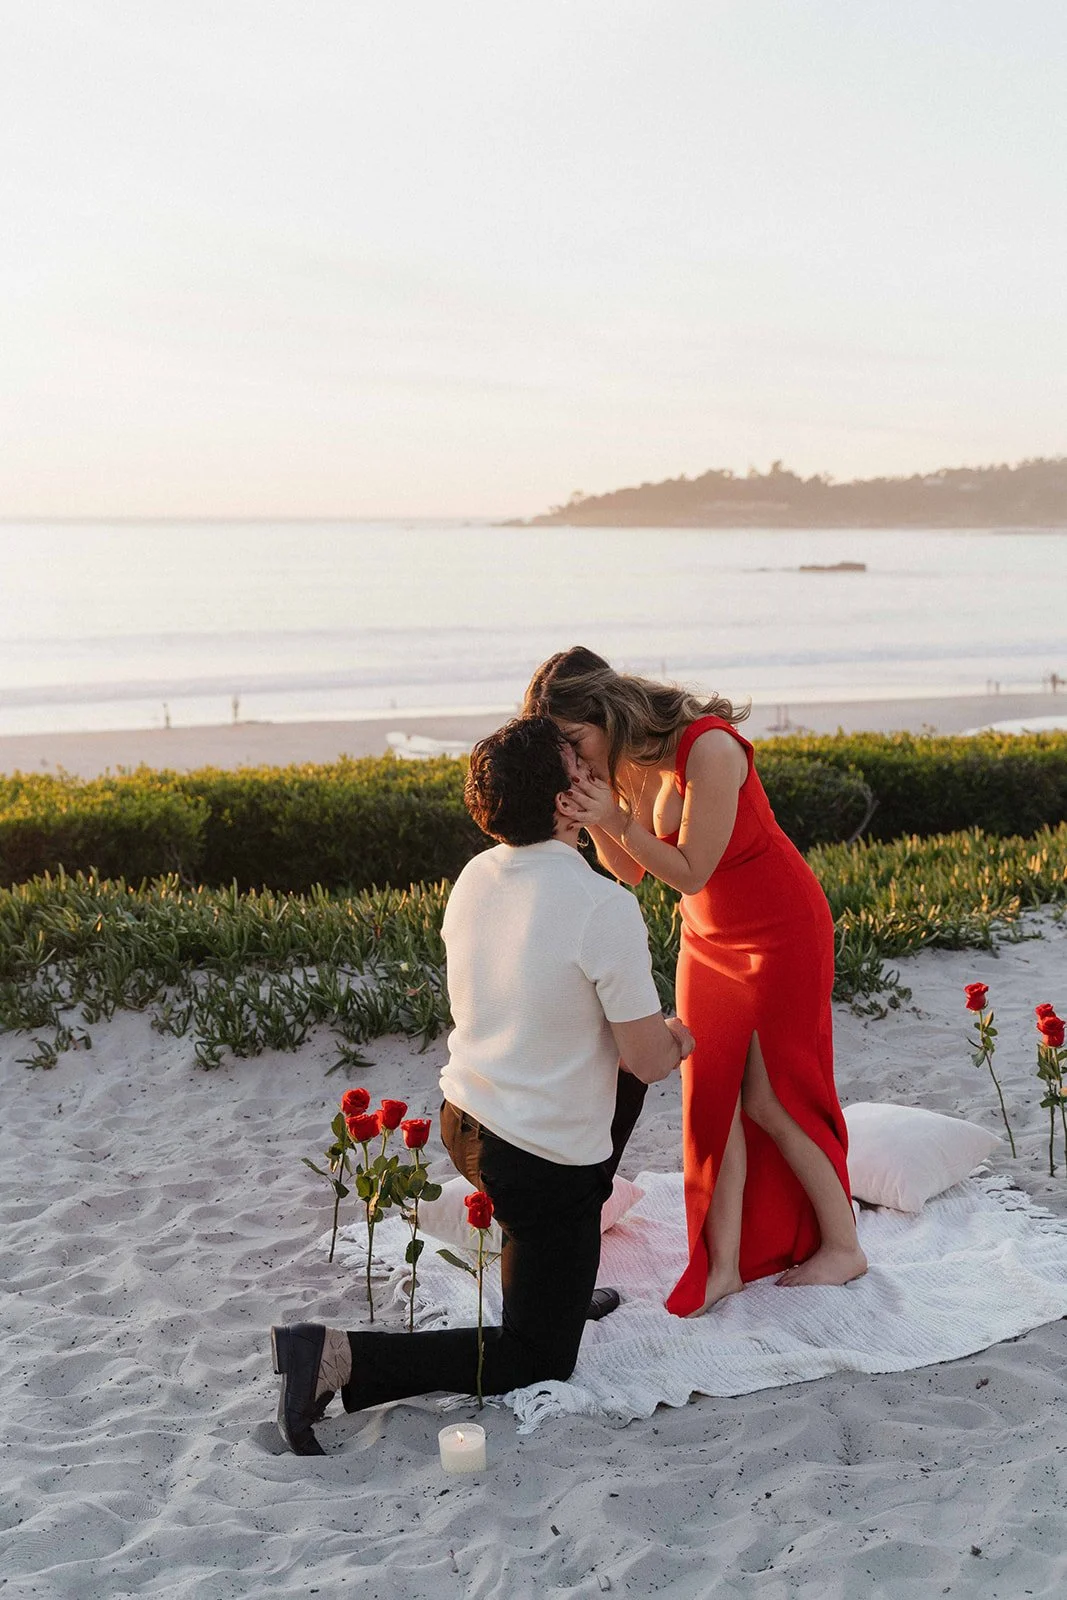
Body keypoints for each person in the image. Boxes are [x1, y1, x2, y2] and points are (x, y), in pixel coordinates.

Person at [271, 715, 693, 1455]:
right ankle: (333, 1354)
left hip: (465, 1124)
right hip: (537, 1163)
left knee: (588, 1135)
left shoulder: (476, 873)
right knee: (538, 1356)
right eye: (581, 766)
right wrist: (679, 1037)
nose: (595, 770)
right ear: (566, 802)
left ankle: (559, 1273)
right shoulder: (603, 905)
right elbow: (650, 1060)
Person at [524, 647, 866, 1317]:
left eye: (571, 739)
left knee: (770, 1100)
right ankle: (723, 1266)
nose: (571, 755)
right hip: (708, 942)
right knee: (708, 1101)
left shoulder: (708, 748)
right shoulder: (620, 760)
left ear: (604, 710)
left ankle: (844, 1245)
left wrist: (614, 819)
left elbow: (690, 869)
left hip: (779, 933)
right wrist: (597, 819)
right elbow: (630, 871)